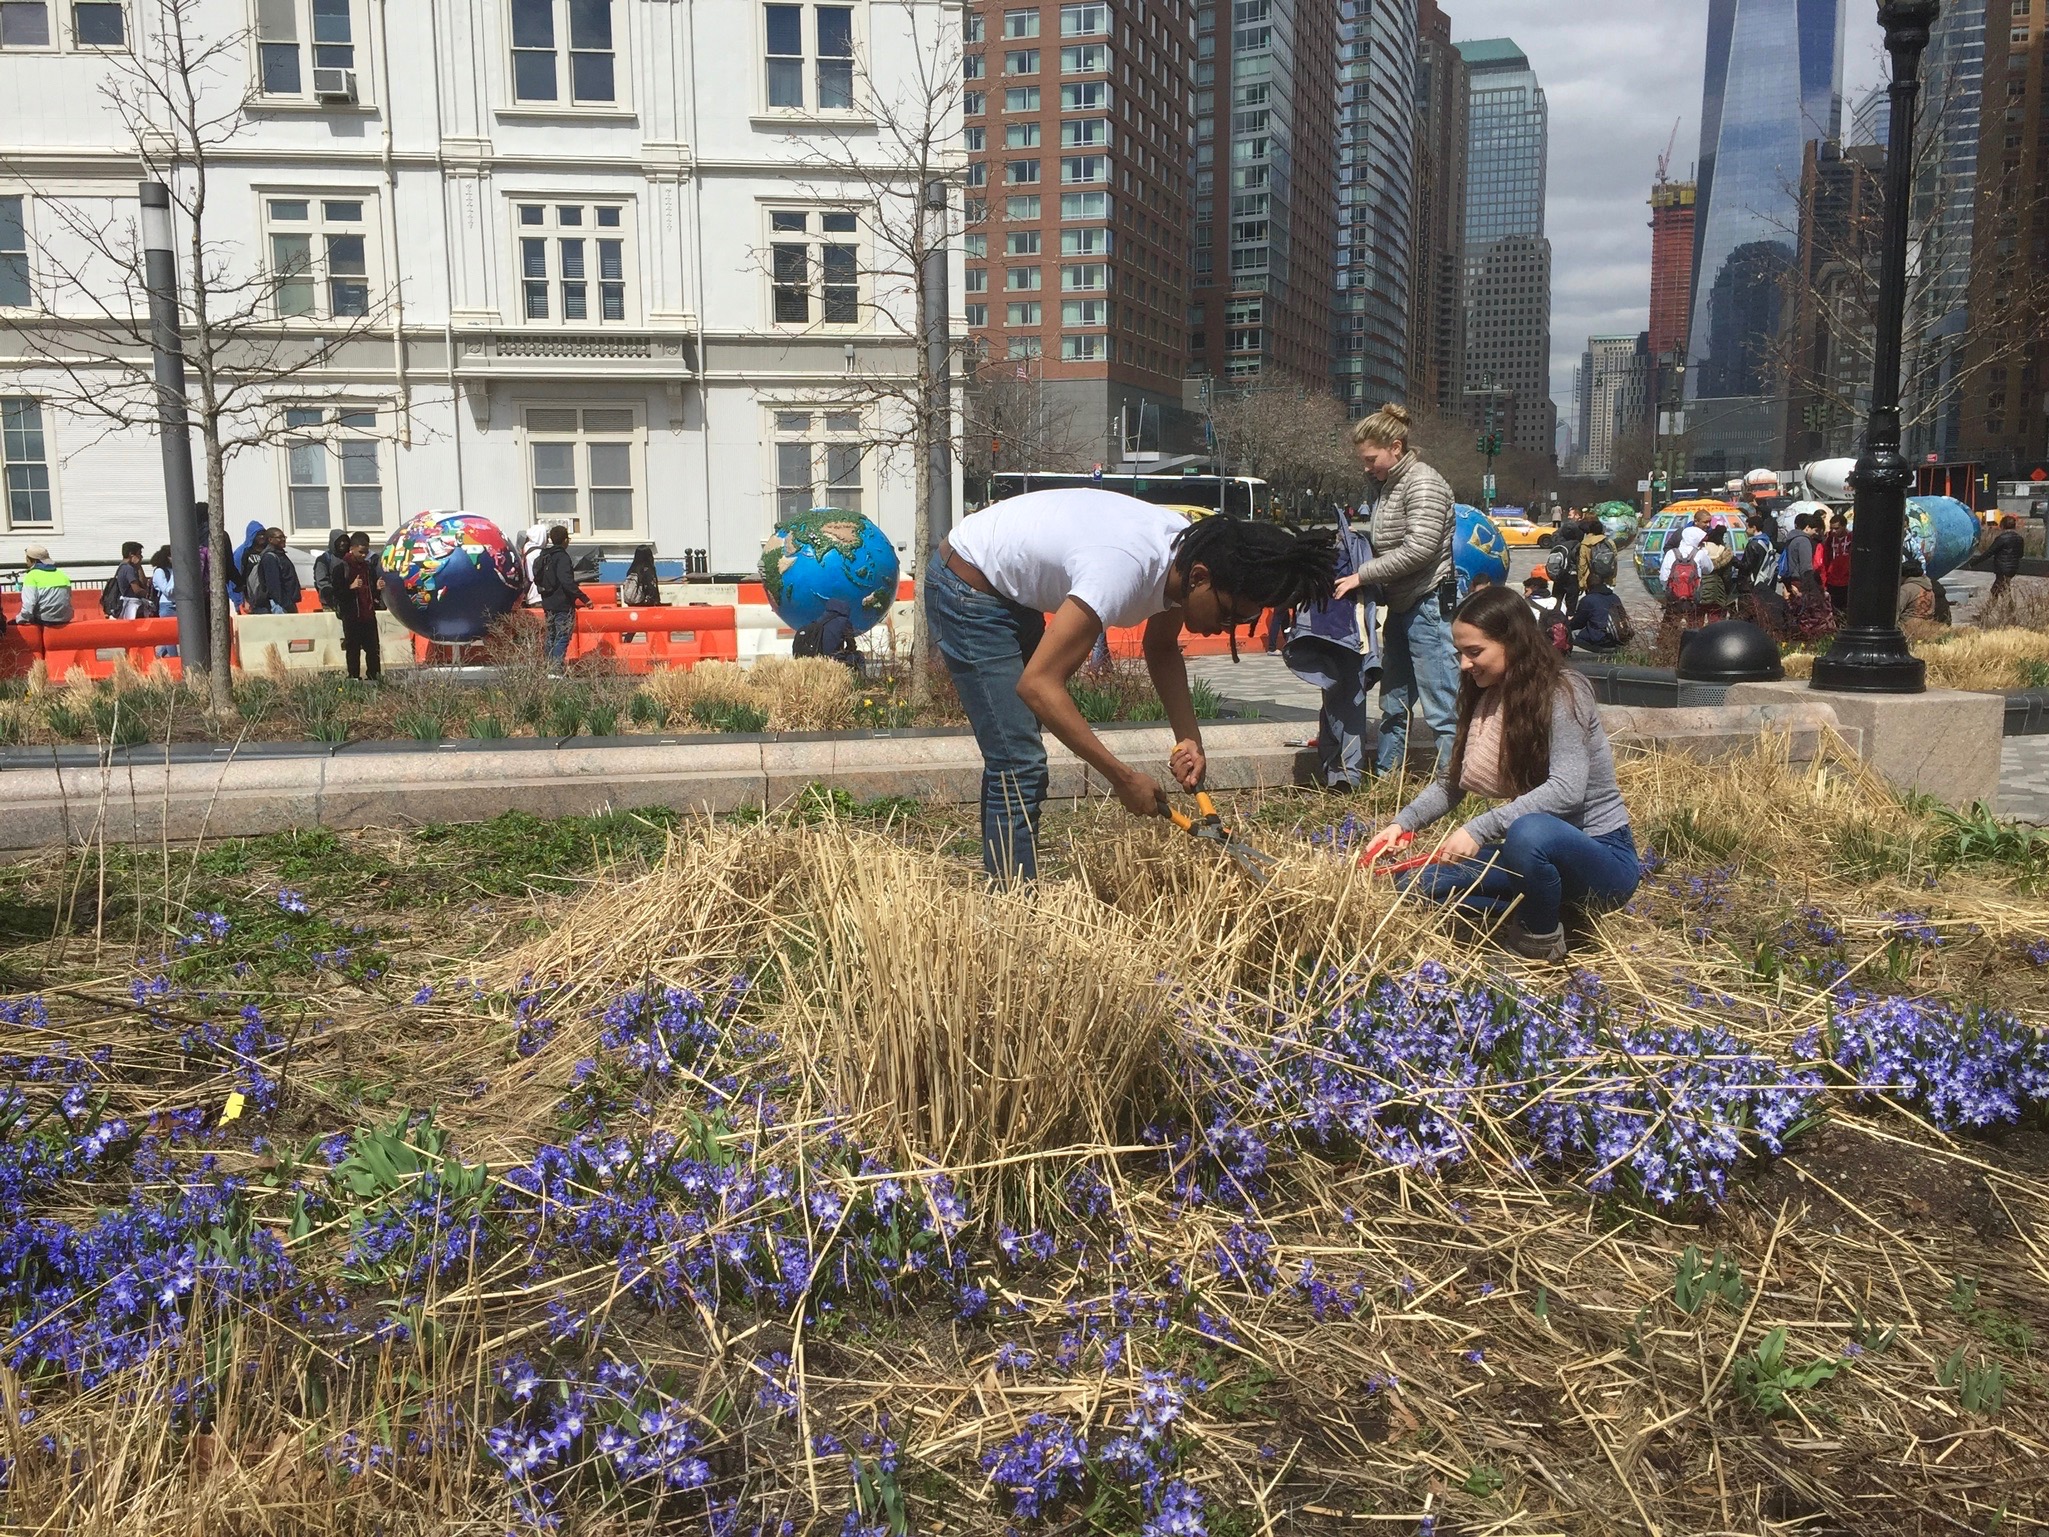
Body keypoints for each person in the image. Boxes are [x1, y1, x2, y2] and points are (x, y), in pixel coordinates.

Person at [927, 487, 1335, 882]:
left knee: (1013, 755)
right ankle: (1011, 906)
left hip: (1014, 587)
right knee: (1017, 759)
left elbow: (1160, 648)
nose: (1222, 630)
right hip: (969, 585)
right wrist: (1122, 778)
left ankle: (1008, 879)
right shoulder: (1121, 571)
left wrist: (1189, 739)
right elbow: (1038, 686)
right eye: (1228, 616)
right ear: (1200, 578)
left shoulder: (1184, 557)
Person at [1359, 584, 1641, 962]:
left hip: (1602, 857)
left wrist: (1478, 829)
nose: (1464, 664)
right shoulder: (1486, 694)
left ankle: (1537, 945)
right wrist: (1403, 824)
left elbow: (1567, 789)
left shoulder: (1563, 691)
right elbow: (1451, 783)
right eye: (1460, 652)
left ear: (1513, 642)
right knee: (1414, 883)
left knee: (1530, 831)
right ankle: (1555, 910)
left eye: (1474, 652)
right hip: (1530, 858)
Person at [1331, 403, 1459, 777]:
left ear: (1396, 448)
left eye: (1371, 459)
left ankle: (1453, 783)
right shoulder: (1393, 485)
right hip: (1406, 604)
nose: (1366, 467)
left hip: (1429, 603)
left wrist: (1363, 575)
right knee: (1393, 700)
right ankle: (1389, 776)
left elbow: (1420, 549)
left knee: (1441, 703)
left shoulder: (1423, 482)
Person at [1283, 508, 1380, 790]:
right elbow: (1380, 592)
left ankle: (1337, 773)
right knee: (1348, 708)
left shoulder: (1313, 564)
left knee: (1333, 706)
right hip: (1349, 638)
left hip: (1324, 638)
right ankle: (1346, 776)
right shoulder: (1353, 550)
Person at [532, 524, 588, 671]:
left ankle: (548, 667)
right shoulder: (562, 557)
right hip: (562, 604)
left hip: (547, 602)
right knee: (562, 636)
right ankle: (556, 668)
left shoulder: (544, 555)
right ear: (564, 540)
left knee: (551, 636)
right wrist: (584, 598)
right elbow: (567, 581)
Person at [336, 536, 382, 681]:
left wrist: (377, 588)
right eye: (361, 552)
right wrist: (351, 587)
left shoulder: (368, 567)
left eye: (366, 552)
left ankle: (374, 676)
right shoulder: (341, 567)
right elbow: (337, 592)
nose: (363, 555)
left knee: (373, 648)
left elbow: (371, 590)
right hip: (351, 615)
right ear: (352, 548)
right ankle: (353, 676)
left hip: (367, 613)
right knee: (353, 648)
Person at [1569, 576, 1631, 653]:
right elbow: (1623, 616)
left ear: (1588, 586)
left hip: (1601, 638)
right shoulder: (1615, 597)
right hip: (1619, 636)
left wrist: (1567, 624)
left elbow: (1578, 623)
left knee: (1571, 634)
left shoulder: (1588, 600)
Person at [17, 544, 73, 625]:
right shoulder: (62, 574)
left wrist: (20, 619)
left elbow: (29, 604)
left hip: (45, 619)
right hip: (66, 618)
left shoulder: (31, 576)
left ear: (32, 561)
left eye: (27, 559)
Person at [1694, 526, 1736, 622]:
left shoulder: (1698, 549)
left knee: (1697, 619)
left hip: (1699, 588)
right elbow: (1726, 576)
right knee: (1715, 619)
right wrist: (1727, 591)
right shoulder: (1723, 551)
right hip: (1717, 590)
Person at [1523, 574, 1571, 655]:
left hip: (1539, 644)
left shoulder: (1526, 604)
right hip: (1561, 643)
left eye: (1526, 591)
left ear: (1534, 588)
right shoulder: (1559, 602)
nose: (1524, 594)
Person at [257, 528, 302, 614]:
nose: (283, 539)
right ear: (270, 540)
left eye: (284, 537)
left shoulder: (280, 555)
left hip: (287, 603)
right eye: (279, 537)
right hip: (279, 606)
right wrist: (287, 605)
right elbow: (274, 586)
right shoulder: (270, 558)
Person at [105, 540, 149, 619]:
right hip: (132, 606)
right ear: (131, 555)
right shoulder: (129, 569)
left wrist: (138, 566)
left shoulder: (122, 567)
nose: (141, 557)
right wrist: (148, 595)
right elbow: (137, 589)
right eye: (139, 554)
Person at [1987, 515, 2026, 604]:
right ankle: (1985, 614)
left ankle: (2010, 613)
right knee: (1999, 590)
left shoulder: (2002, 538)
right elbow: (2020, 554)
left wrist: (1975, 562)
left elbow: (1990, 552)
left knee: (2000, 591)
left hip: (2002, 568)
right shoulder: (2019, 539)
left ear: (2002, 525)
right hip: (2013, 568)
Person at [1821, 512, 1854, 613]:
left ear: (1844, 526)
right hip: (1833, 580)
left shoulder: (1852, 539)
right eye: (1832, 528)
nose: (1834, 531)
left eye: (1837, 528)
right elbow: (1826, 559)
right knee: (1834, 609)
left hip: (1848, 580)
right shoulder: (1829, 540)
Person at [150, 545, 179, 658]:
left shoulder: (172, 570)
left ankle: (157, 656)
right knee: (169, 636)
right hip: (166, 605)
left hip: (177, 604)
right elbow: (167, 591)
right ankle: (174, 659)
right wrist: (174, 576)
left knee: (175, 635)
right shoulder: (159, 572)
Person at [313, 530, 351, 612]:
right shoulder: (324, 559)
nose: (342, 543)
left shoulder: (350, 559)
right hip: (330, 604)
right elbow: (322, 582)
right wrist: (333, 598)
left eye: (345, 540)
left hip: (349, 602)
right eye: (339, 541)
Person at [620, 543, 663, 608]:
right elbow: (651, 587)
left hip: (632, 602)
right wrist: (656, 602)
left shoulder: (632, 569)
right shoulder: (648, 569)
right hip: (645, 604)